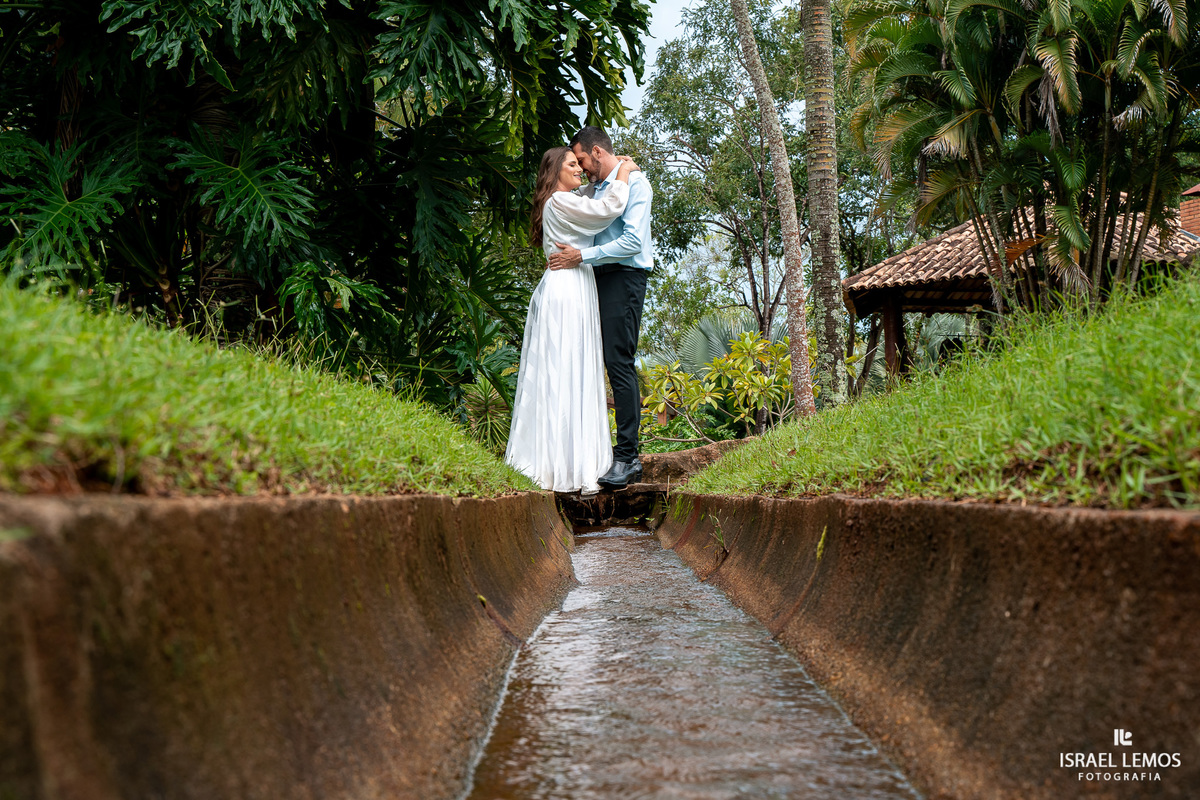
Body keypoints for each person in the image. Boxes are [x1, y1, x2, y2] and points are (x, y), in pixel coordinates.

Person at [505, 147, 641, 495]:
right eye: (572, 165)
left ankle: (565, 459)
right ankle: (564, 463)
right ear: (555, 172)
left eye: (579, 163)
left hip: (576, 283)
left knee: (570, 370)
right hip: (568, 289)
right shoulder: (561, 201)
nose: (579, 169)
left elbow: (590, 198)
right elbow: (607, 209)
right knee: (565, 369)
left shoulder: (565, 199)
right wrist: (623, 171)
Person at [547, 126, 653, 489]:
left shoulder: (635, 183)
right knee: (589, 362)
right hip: (592, 279)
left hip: (624, 276)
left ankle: (628, 458)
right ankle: (590, 452)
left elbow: (632, 241)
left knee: (618, 361)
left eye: (581, 160)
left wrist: (582, 255)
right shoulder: (592, 189)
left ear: (597, 152)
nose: (580, 168)